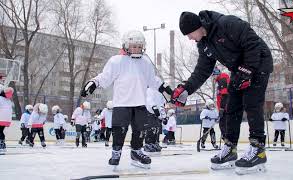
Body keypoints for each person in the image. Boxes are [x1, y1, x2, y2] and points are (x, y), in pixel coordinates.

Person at [173, 10, 273, 174]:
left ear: (197, 26)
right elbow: (202, 70)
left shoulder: (226, 23)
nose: (190, 38)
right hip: (239, 69)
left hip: (258, 62)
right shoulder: (204, 44)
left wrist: (247, 70)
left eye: (189, 34)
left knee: (251, 103)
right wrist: (187, 88)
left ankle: (258, 150)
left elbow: (252, 42)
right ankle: (230, 148)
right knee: (231, 107)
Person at [80, 30, 173, 169]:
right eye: (133, 46)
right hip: (122, 103)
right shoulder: (116, 61)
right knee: (120, 130)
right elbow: (105, 77)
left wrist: (163, 87)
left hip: (140, 103)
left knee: (140, 130)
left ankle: (136, 152)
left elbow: (152, 80)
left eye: (139, 46)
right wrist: (94, 82)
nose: (136, 49)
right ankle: (116, 153)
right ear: (126, 45)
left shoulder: (145, 62)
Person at [144, 86, 167, 153]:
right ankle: (148, 143)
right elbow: (149, 100)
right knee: (151, 128)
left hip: (157, 113)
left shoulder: (160, 93)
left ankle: (154, 142)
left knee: (157, 128)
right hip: (149, 112)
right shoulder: (149, 90)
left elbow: (162, 105)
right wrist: (154, 107)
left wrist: (164, 116)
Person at [214, 68, 230, 139]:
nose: (213, 77)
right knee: (223, 125)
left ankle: (228, 142)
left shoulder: (222, 79)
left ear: (216, 74)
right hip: (224, 107)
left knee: (223, 125)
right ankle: (228, 141)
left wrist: (222, 108)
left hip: (226, 107)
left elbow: (225, 95)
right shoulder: (220, 81)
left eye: (213, 75)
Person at [0, 85, 14, 154]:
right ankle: (3, 145)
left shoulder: (0, 98)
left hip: (1, 118)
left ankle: (1, 145)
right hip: (6, 119)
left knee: (0, 131)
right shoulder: (8, 100)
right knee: (1, 131)